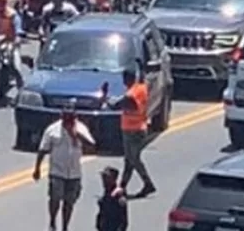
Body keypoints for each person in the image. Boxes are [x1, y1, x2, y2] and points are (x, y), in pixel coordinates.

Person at [33, 101, 95, 231]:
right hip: (57, 171)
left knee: (69, 202)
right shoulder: (52, 130)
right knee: (55, 198)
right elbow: (43, 150)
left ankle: (65, 226)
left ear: (75, 116)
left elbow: (92, 145)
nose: (68, 118)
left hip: (74, 173)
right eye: (65, 115)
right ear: (61, 115)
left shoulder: (81, 128)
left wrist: (77, 135)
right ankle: (52, 222)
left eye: (70, 115)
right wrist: (37, 169)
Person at [108, 68, 156, 198]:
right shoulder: (141, 89)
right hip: (139, 128)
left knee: (133, 159)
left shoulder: (130, 95)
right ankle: (122, 187)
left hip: (132, 131)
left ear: (125, 79)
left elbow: (116, 105)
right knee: (129, 160)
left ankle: (148, 183)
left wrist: (105, 97)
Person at [96, 166, 128, 231]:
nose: (103, 179)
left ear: (114, 179)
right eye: (103, 177)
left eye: (107, 177)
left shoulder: (118, 193)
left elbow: (123, 219)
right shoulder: (107, 192)